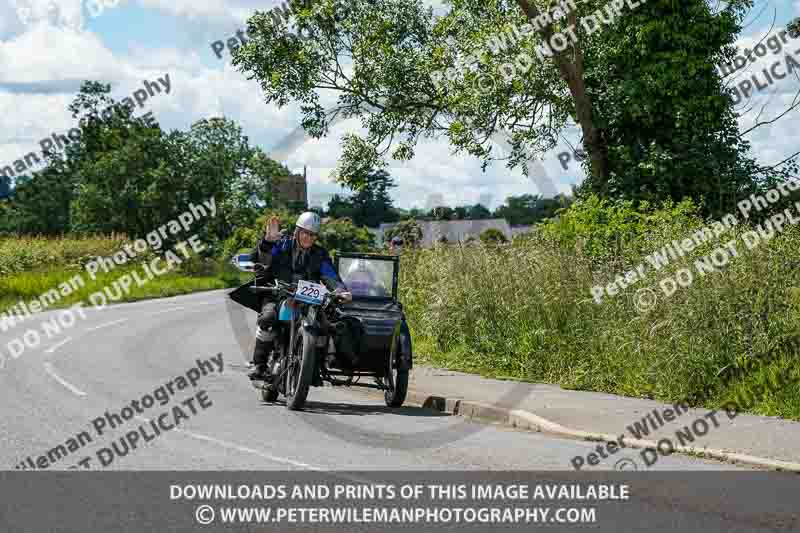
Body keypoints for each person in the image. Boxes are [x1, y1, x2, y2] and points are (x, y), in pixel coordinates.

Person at [247, 212, 352, 381]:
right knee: (268, 317)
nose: (308, 238)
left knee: (326, 324)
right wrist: (267, 242)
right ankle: (259, 364)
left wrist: (341, 291)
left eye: (312, 235)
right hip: (278, 294)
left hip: (307, 300)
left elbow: (330, 275)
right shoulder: (281, 244)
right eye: (305, 233)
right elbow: (260, 260)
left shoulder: (320, 254)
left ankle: (314, 365)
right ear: (297, 231)